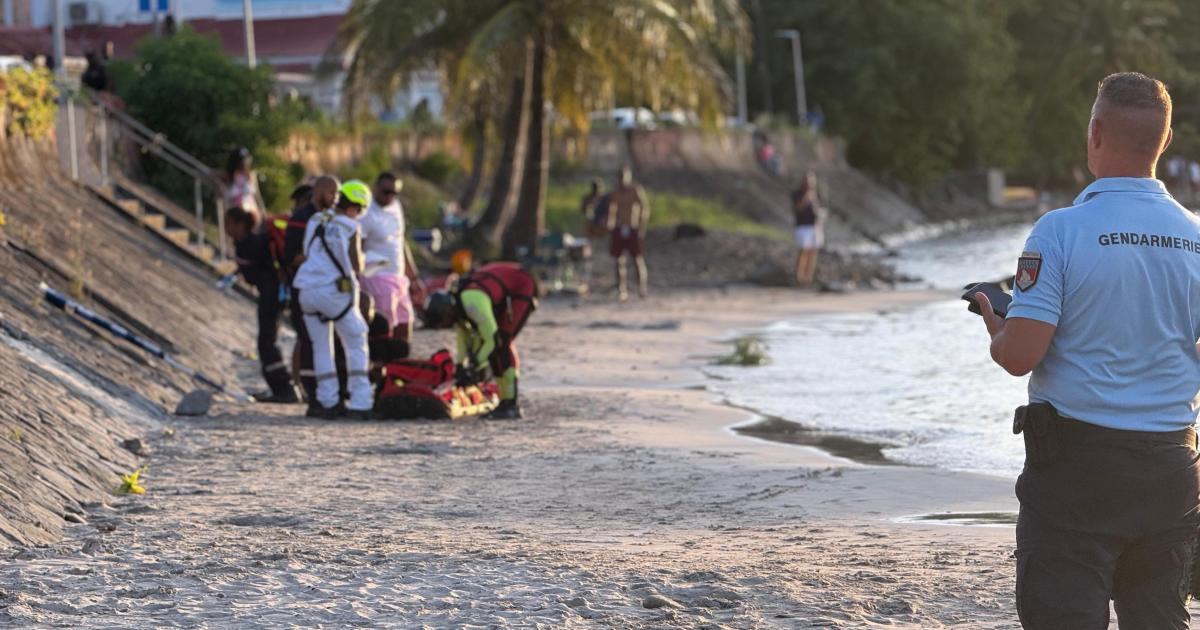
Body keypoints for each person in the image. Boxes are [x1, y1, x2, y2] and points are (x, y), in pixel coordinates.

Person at [974, 72, 1200, 629]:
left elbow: (1019, 355)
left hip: (1077, 474)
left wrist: (995, 323)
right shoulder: (1197, 237)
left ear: (1094, 133)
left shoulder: (1059, 232)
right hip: (1173, 470)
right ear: (1164, 143)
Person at [293, 180, 375, 420]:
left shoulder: (316, 219)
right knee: (356, 337)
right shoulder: (350, 226)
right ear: (355, 206)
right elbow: (356, 265)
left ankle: (328, 401)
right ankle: (361, 401)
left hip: (306, 290)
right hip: (333, 292)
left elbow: (309, 252)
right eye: (359, 210)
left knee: (321, 345)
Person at [421, 262, 538, 420]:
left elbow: (491, 339)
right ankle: (504, 401)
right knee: (493, 348)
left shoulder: (471, 301)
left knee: (502, 342)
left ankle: (510, 405)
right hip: (504, 284)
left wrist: (476, 365)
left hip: (522, 284)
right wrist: (461, 366)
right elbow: (464, 337)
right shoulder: (459, 304)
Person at [223, 206, 299, 403]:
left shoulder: (250, 244)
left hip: (271, 295)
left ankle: (284, 390)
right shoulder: (248, 243)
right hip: (270, 293)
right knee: (266, 340)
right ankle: (280, 389)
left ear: (240, 224)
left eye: (228, 223)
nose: (225, 227)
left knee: (266, 341)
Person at [284, 176, 340, 402]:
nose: (335, 199)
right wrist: (317, 262)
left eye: (337, 194)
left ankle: (328, 389)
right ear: (319, 192)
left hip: (329, 289)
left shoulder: (333, 219)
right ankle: (307, 389)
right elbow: (290, 256)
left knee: (326, 340)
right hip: (305, 289)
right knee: (306, 339)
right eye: (332, 193)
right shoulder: (301, 218)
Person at [359, 172, 420, 342]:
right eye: (386, 192)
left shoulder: (396, 207)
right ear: (375, 188)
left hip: (398, 278)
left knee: (405, 323)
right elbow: (357, 247)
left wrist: (413, 276)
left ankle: (399, 366)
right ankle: (379, 366)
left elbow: (401, 241)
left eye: (394, 193)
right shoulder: (366, 212)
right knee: (384, 329)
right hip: (377, 277)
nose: (390, 196)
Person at [606, 166, 650, 300]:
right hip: (619, 228)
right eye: (620, 177)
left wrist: (641, 227)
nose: (622, 180)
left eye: (624, 176)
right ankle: (621, 288)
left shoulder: (635, 190)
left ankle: (641, 287)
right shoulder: (616, 192)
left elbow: (644, 208)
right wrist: (610, 223)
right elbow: (612, 209)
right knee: (618, 260)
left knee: (637, 258)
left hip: (632, 227)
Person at [792, 171, 825, 287]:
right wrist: (807, 197)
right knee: (803, 252)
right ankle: (799, 277)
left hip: (814, 226)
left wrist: (821, 218)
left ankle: (808, 278)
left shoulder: (816, 194)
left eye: (811, 181)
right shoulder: (797, 193)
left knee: (813, 252)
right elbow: (797, 208)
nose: (809, 183)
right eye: (807, 180)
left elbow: (818, 210)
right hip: (802, 226)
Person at [224, 147, 261, 216]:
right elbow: (207, 173)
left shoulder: (250, 175)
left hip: (252, 213)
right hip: (236, 216)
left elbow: (256, 197)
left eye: (246, 160)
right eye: (243, 160)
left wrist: (262, 211)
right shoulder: (228, 176)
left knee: (279, 223)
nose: (245, 162)